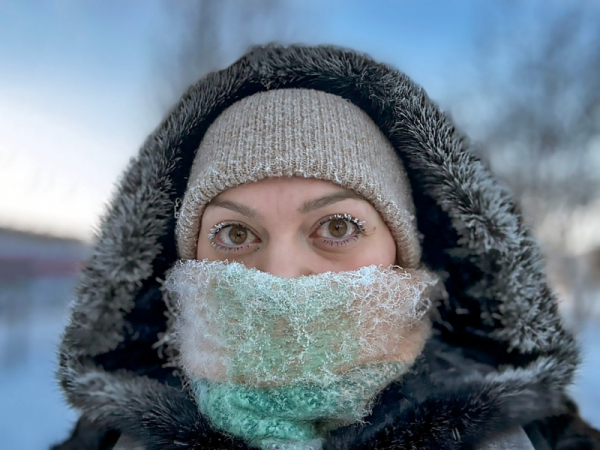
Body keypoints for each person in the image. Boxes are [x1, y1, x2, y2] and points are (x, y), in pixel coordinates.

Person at [53, 45, 600, 450]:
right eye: (236, 234)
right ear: (187, 263)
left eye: (337, 227)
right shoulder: (109, 438)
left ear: (401, 252)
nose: (280, 274)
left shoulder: (534, 434)